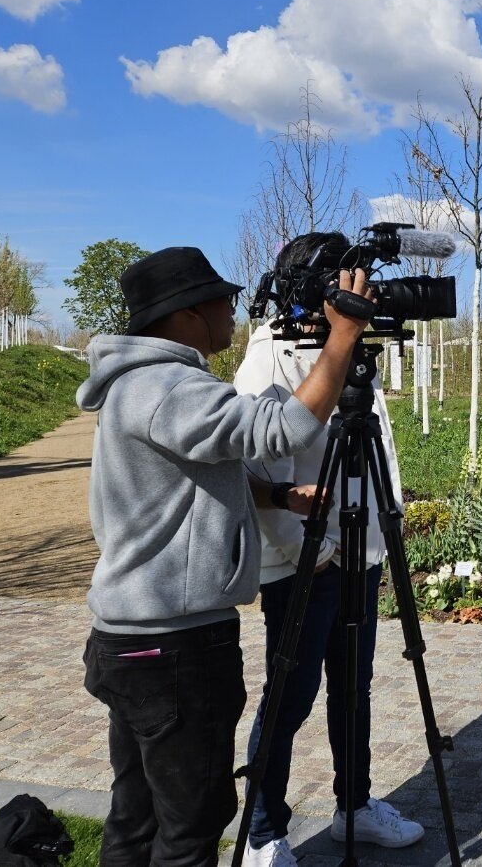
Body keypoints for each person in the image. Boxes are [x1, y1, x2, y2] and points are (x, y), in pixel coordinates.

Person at [77, 247, 374, 865]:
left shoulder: (138, 387)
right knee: (190, 829)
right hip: (175, 648)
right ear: (188, 315)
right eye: (223, 302)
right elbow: (285, 427)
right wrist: (342, 336)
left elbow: (199, 472)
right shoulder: (169, 388)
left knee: (137, 818)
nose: (233, 314)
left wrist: (277, 495)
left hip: (134, 638)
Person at [233, 234, 424, 866]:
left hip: (358, 551)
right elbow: (256, 463)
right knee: (290, 693)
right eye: (351, 281)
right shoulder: (271, 354)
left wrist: (381, 531)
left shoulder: (347, 348)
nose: (362, 292)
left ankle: (354, 806)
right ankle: (262, 833)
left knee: (354, 686)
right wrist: (304, 548)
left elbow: (377, 445)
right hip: (303, 557)